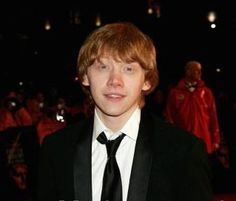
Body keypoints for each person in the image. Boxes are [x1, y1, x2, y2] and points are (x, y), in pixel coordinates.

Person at [36, 22, 213, 201]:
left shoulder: (184, 152)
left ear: (147, 81)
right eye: (102, 67)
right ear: (85, 76)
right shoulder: (56, 150)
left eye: (128, 69)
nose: (115, 80)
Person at [164, 60, 221, 154]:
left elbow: (213, 117)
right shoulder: (175, 93)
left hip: (203, 140)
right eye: (196, 70)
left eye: (200, 71)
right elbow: (170, 118)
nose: (199, 73)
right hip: (183, 141)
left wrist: (216, 139)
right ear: (188, 71)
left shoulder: (206, 93)